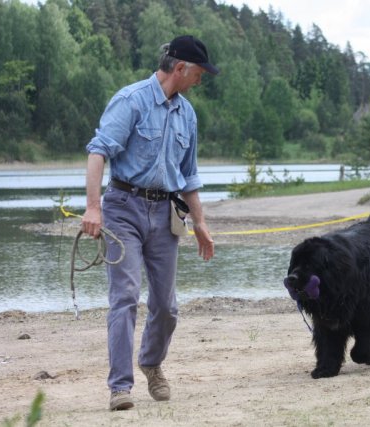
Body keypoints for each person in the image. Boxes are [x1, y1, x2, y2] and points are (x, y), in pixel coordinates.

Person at [81, 35, 218, 411]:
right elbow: (98, 152)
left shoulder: (188, 115)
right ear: (180, 68)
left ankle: (152, 363)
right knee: (124, 297)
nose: (200, 81)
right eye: (199, 74)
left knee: (166, 305)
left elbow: (188, 176)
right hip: (122, 208)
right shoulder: (131, 101)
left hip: (166, 213)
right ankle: (120, 387)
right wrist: (94, 208)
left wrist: (201, 223)